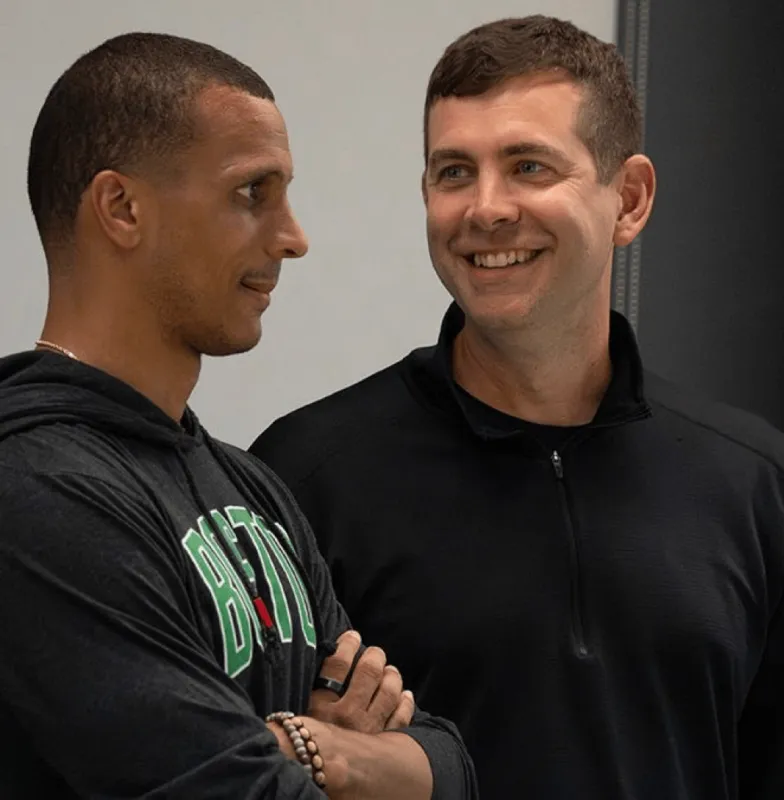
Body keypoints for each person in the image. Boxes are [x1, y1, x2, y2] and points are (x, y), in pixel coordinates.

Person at [250, 14, 784, 799]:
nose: (486, 208)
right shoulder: (305, 475)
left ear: (630, 199)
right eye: (454, 172)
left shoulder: (756, 483)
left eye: (528, 167)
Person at [0, 32, 478, 800]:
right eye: (252, 193)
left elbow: (450, 766)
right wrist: (325, 760)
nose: (293, 238)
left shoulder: (254, 489)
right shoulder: (34, 490)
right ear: (122, 208)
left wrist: (312, 750)